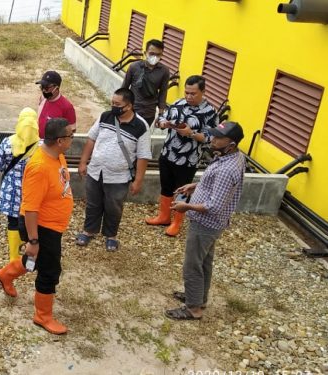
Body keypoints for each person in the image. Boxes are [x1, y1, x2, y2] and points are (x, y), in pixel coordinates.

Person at [0, 117, 76, 335]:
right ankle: (43, 316)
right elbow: (30, 208)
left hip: (52, 226)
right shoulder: (39, 167)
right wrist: (33, 240)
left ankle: (6, 274)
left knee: (35, 261)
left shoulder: (56, 154)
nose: (72, 140)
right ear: (59, 140)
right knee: (50, 270)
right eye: (70, 136)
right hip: (41, 228)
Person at [164, 121, 245, 320]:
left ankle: (193, 309)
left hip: (205, 224)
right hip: (213, 224)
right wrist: (195, 187)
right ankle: (199, 298)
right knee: (204, 263)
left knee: (192, 264)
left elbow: (214, 206)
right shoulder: (231, 157)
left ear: (231, 144)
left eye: (218, 138)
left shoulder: (227, 169)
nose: (213, 140)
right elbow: (215, 186)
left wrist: (186, 206)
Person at [76, 88, 151, 251]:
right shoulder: (105, 116)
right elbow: (91, 139)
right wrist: (83, 162)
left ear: (129, 106)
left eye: (117, 104)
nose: (113, 107)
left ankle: (111, 236)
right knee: (92, 203)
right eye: (112, 103)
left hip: (119, 176)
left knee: (114, 206)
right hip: (96, 170)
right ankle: (88, 231)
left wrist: (138, 181)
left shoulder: (141, 126)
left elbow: (143, 155)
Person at [145, 75, 219, 236]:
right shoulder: (179, 103)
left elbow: (211, 138)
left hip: (188, 159)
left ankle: (177, 222)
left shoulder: (210, 112)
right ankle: (164, 216)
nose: (189, 97)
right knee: (166, 186)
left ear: (203, 92)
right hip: (168, 153)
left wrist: (191, 133)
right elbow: (161, 119)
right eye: (187, 92)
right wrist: (162, 123)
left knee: (182, 190)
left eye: (193, 94)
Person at [0, 107, 40, 261]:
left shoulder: (7, 143)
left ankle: (14, 256)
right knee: (32, 222)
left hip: (11, 191)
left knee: (13, 222)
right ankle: (31, 252)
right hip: (34, 193)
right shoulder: (41, 148)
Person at [120, 39, 170, 127]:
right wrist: (120, 107)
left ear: (162, 55)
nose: (154, 57)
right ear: (145, 52)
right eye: (152, 53)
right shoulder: (134, 67)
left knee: (142, 136)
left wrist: (161, 115)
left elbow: (163, 92)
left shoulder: (164, 71)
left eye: (158, 54)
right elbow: (124, 88)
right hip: (132, 109)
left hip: (149, 112)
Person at [35, 70, 76, 139]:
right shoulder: (43, 98)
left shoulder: (67, 107)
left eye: (47, 87)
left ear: (56, 88)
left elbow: (71, 132)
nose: (44, 90)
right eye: (42, 87)